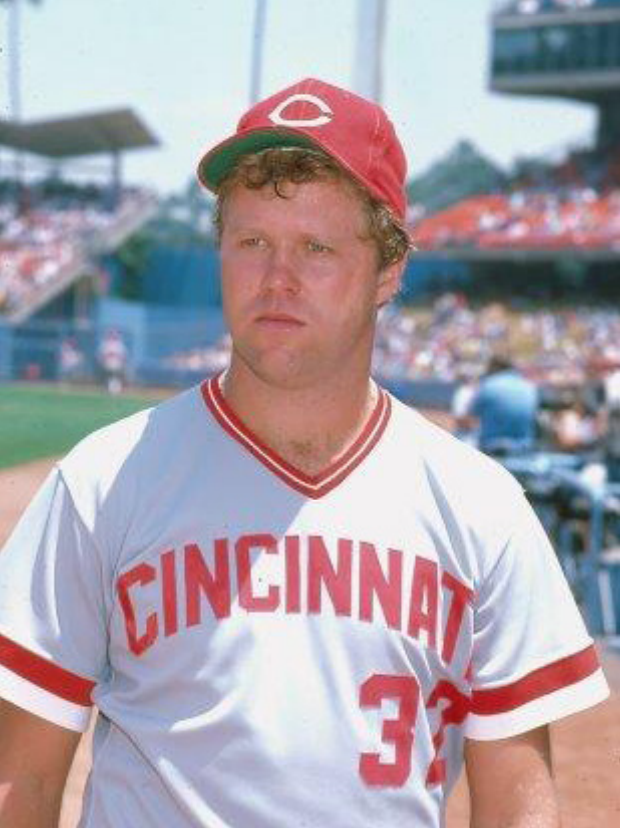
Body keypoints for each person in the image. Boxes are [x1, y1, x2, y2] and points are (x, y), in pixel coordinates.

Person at [0, 78, 609, 828]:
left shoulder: (479, 507)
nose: (276, 277)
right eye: (251, 241)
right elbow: (18, 785)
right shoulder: (104, 482)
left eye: (316, 247)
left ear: (389, 271)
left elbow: (519, 802)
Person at [470, 353, 539, 455]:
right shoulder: (529, 386)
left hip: (490, 447)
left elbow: (471, 415)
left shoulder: (488, 384)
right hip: (523, 448)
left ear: (495, 367)